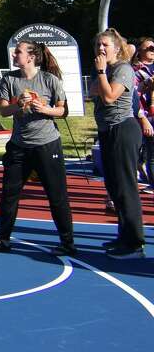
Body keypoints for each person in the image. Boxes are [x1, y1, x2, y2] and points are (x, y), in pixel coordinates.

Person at [0, 41, 76, 255]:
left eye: (19, 52)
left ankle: (67, 243)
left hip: (47, 143)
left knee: (56, 195)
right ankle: (3, 239)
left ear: (31, 57)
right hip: (19, 146)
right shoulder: (9, 79)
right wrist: (20, 104)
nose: (14, 55)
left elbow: (63, 111)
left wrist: (44, 108)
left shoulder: (50, 80)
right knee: (9, 194)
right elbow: (4, 112)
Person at [91, 28, 143, 258]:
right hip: (107, 131)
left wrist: (101, 72)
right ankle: (123, 236)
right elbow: (93, 90)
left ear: (116, 47)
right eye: (98, 45)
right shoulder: (105, 70)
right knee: (113, 187)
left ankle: (134, 242)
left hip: (123, 129)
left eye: (105, 45)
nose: (101, 49)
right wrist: (101, 75)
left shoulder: (122, 69)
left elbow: (110, 96)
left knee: (125, 187)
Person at [130, 38, 154, 190]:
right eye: (148, 48)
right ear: (139, 51)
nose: (152, 50)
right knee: (151, 149)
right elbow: (132, 94)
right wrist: (145, 86)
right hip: (145, 114)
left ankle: (141, 163)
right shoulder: (135, 69)